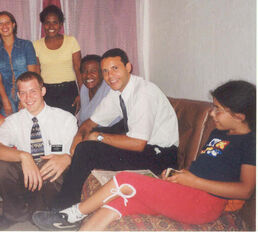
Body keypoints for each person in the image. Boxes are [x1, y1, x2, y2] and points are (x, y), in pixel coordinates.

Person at [32, 80, 256, 231]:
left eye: (218, 109)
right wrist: (183, 175)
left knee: (126, 180)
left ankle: (70, 214)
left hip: (204, 204)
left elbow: (245, 190)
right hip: (187, 189)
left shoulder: (250, 142)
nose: (212, 112)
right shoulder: (219, 132)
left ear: (238, 115)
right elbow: (210, 166)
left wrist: (194, 181)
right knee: (120, 202)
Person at [51, 48, 179, 209]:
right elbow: (89, 123)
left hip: (161, 157)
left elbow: (138, 143)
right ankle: (65, 199)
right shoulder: (117, 91)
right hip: (145, 149)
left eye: (115, 68)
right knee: (87, 144)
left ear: (128, 67)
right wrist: (76, 142)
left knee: (88, 149)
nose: (110, 76)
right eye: (105, 71)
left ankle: (64, 208)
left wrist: (98, 137)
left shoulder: (143, 93)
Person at [0, 72, 78, 230]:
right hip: (26, 173)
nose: (28, 98)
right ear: (18, 95)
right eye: (23, 93)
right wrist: (24, 156)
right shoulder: (12, 121)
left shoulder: (65, 118)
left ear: (43, 91)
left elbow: (74, 152)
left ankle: (41, 213)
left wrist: (68, 157)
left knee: (49, 166)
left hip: (52, 175)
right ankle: (15, 214)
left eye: (33, 91)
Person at [33, 5, 82, 115]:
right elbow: (36, 74)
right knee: (49, 126)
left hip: (69, 91)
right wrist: (37, 95)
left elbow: (78, 69)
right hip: (46, 92)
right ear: (43, 24)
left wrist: (82, 94)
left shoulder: (71, 41)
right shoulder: (36, 45)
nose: (51, 26)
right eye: (47, 22)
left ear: (60, 24)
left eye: (55, 22)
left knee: (67, 126)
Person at [0, 11, 38, 116]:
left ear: (13, 24)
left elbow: (32, 73)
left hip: (27, 93)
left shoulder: (26, 45)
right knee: (9, 128)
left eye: (7, 22)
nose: (4, 26)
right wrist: (5, 101)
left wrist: (24, 99)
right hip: (6, 95)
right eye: (0, 23)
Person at [79, 54, 116, 125]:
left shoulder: (110, 90)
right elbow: (83, 118)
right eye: (84, 71)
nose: (88, 75)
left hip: (110, 132)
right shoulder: (84, 88)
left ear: (102, 73)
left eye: (93, 71)